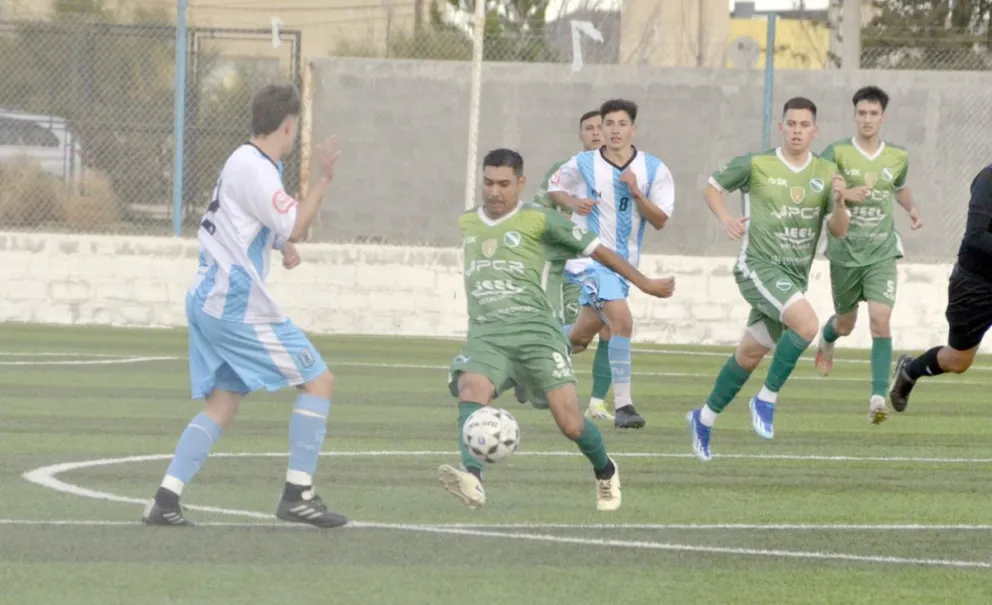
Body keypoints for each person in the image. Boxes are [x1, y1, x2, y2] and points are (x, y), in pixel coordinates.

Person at [141, 84, 347, 528]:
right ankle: (298, 494)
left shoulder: (246, 162)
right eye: (296, 127)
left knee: (222, 404)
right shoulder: (256, 169)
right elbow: (296, 222)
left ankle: (165, 499)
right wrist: (323, 180)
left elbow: (266, 226)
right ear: (288, 125)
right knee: (319, 380)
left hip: (208, 299)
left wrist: (281, 245)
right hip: (236, 306)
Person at [438, 148, 675, 511]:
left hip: (538, 335)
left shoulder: (542, 221)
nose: (494, 192)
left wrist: (643, 283)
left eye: (503, 184)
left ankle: (606, 470)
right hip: (488, 334)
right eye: (488, 183)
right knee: (471, 390)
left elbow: (601, 252)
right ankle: (473, 478)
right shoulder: (468, 222)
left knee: (571, 424)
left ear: (520, 184)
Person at [686, 97, 852, 462]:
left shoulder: (826, 171)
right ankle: (766, 398)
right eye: (790, 124)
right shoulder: (757, 164)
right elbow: (712, 187)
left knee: (748, 355)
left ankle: (704, 418)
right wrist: (726, 218)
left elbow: (838, 231)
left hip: (793, 276)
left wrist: (839, 202)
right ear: (781, 127)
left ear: (815, 130)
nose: (797, 131)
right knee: (807, 324)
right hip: (757, 267)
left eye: (804, 125)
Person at [546, 99, 675, 430]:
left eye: (621, 124)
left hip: (624, 266)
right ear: (601, 129)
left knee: (580, 336)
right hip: (590, 260)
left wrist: (637, 193)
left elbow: (660, 220)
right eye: (609, 124)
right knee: (622, 321)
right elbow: (554, 187)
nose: (614, 130)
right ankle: (624, 407)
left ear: (634, 128)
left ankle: (534, 353)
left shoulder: (654, 168)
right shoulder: (584, 162)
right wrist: (575, 201)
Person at [812, 86, 923, 424]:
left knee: (880, 321)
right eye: (862, 113)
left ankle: (877, 396)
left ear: (883, 117)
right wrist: (846, 192)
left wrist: (912, 209)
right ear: (854, 115)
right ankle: (827, 337)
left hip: (881, 252)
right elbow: (821, 187)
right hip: (846, 252)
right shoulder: (838, 152)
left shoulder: (897, 156)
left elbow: (899, 187)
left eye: (874, 113)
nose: (867, 119)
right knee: (846, 324)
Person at [523, 109, 615, 422]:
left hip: (606, 264)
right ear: (580, 135)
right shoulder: (564, 171)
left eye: (600, 127)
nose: (595, 133)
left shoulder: (621, 173)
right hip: (570, 265)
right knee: (579, 337)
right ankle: (537, 356)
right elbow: (539, 213)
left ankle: (598, 402)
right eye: (588, 128)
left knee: (610, 327)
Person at [889, 163, 992, 411]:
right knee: (958, 361)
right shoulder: (988, 179)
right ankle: (910, 370)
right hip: (976, 283)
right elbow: (975, 237)